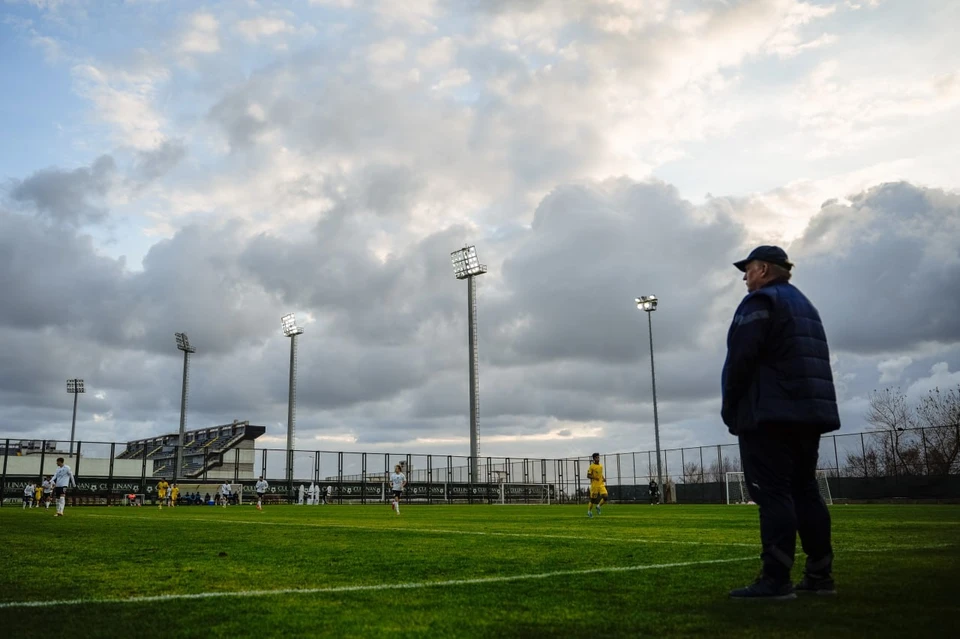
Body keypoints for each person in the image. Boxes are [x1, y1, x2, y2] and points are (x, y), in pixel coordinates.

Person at [721, 246, 840, 600]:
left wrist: (731, 408)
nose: (744, 277)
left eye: (747, 270)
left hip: (770, 415)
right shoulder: (805, 306)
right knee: (805, 490)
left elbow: (740, 358)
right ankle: (820, 576)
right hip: (808, 415)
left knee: (773, 493)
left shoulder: (760, 302)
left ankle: (775, 579)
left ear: (763, 269)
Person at [586, 453, 608, 518]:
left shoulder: (601, 466)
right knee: (593, 500)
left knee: (606, 497)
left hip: (601, 484)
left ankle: (598, 506)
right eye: (597, 457)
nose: (598, 459)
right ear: (594, 459)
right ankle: (589, 511)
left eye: (598, 457)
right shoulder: (591, 466)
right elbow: (588, 475)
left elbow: (600, 474)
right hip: (594, 486)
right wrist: (595, 478)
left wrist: (603, 478)